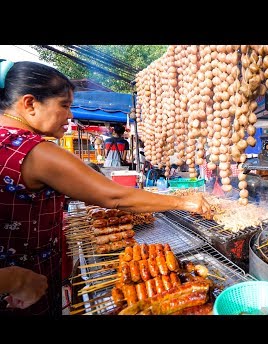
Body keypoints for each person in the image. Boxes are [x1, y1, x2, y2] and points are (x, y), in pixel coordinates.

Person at [0, 60, 211, 316]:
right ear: (30, 103)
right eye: (64, 105)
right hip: (23, 291)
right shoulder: (33, 151)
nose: (70, 115)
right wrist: (185, 202)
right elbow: (114, 196)